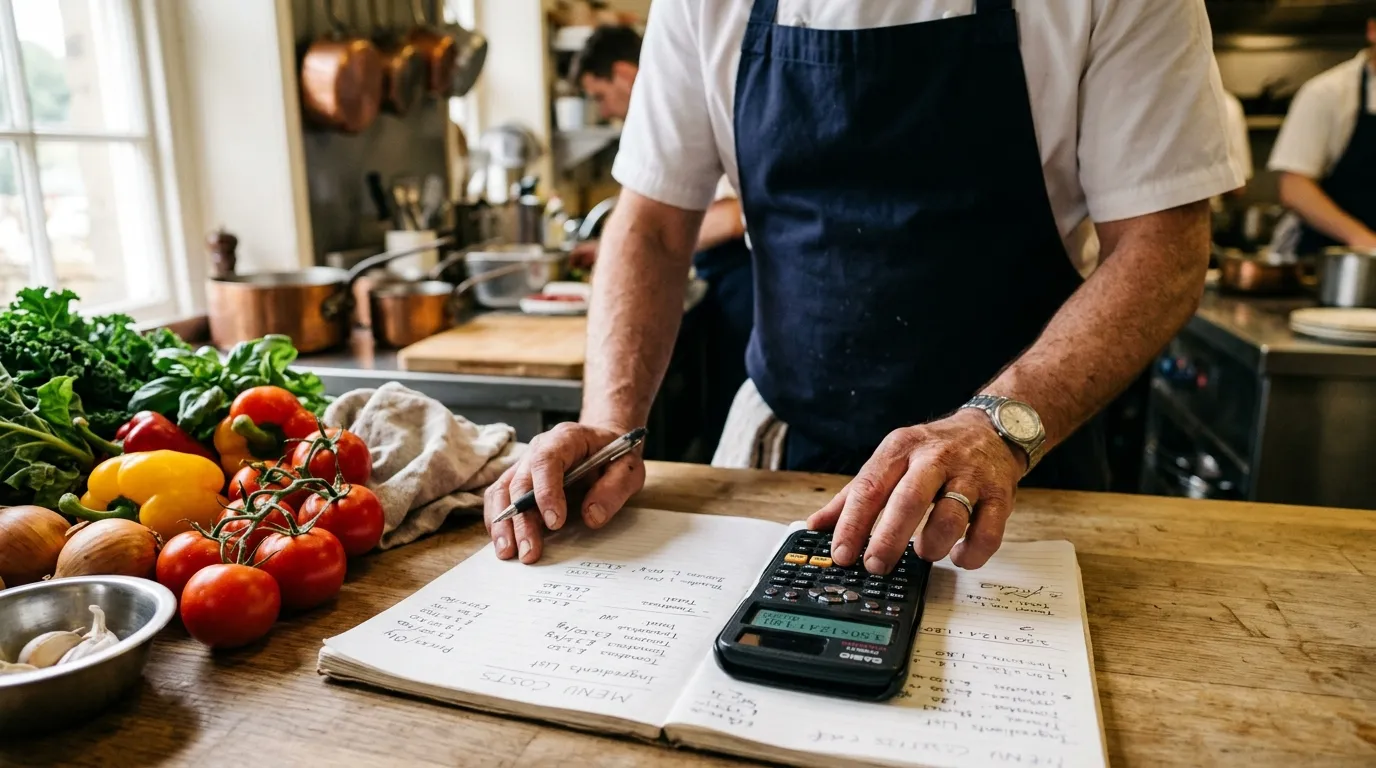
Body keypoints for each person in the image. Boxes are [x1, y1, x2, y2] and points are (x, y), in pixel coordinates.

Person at [486, 0, 1243, 574]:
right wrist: (610, 422)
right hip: (780, 453)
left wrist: (995, 431)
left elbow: (1165, 246)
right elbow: (650, 221)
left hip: (1017, 463)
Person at [572, 25, 755, 455]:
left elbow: (734, 217)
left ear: (623, 74)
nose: (602, 111)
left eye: (600, 96)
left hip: (746, 285)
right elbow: (651, 225)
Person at [1269, 18, 1376, 253]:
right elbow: (1295, 188)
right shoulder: (1327, 93)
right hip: (1327, 259)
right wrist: (1364, 240)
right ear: (1372, 30)